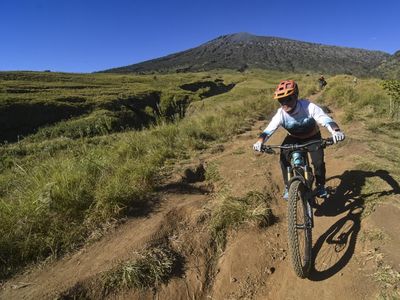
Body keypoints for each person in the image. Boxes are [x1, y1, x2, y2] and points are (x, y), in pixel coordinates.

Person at [253, 80, 345, 200]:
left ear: (296, 96)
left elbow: (325, 120)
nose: (285, 103)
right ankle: (288, 187)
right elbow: (268, 130)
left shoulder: (308, 107)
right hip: (294, 138)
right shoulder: (280, 114)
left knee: (318, 162)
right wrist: (260, 142)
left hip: (313, 136)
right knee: (283, 158)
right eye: (281, 100)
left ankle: (320, 185)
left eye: (288, 99)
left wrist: (335, 131)